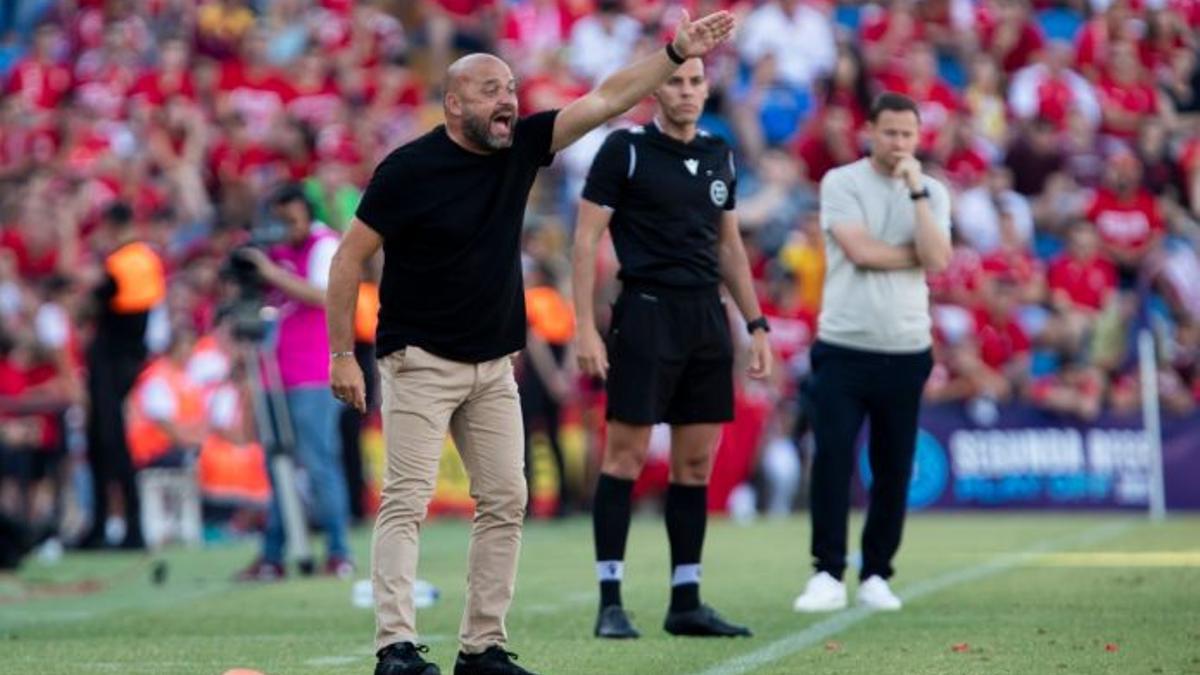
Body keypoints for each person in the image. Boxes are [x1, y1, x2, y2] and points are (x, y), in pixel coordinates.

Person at [324, 10, 736, 675]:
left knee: (507, 500)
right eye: (491, 89)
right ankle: (394, 647)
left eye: (511, 87)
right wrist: (343, 352)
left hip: (493, 364)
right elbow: (348, 260)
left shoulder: (519, 145)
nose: (508, 100)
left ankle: (481, 646)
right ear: (454, 102)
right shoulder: (408, 169)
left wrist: (672, 53)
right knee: (405, 500)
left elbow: (603, 100)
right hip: (419, 358)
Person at [571, 56, 771, 639]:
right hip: (646, 315)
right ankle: (611, 600)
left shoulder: (718, 153)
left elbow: (729, 247)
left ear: (707, 89)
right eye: (674, 82)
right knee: (626, 458)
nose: (685, 91)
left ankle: (686, 600)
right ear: (655, 91)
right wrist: (585, 325)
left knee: (695, 463)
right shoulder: (625, 149)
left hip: (707, 318)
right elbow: (585, 240)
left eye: (694, 82)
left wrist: (756, 325)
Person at [791, 92, 951, 613]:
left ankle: (878, 572)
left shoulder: (931, 191)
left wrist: (917, 195)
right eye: (890, 133)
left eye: (908, 134)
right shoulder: (842, 181)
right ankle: (828, 573)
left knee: (893, 465)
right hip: (844, 345)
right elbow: (859, 251)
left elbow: (940, 258)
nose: (899, 142)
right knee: (832, 459)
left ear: (918, 137)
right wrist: (914, 257)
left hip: (907, 347)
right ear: (871, 132)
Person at [234, 184, 354, 580]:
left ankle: (338, 550)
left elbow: (323, 295)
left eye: (292, 219)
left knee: (319, 463)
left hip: (314, 371)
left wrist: (270, 272)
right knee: (277, 467)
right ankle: (274, 552)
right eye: (280, 220)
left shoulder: (323, 244)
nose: (286, 228)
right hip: (275, 370)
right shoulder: (276, 250)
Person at [80, 202, 166, 549]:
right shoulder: (141, 259)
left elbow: (100, 300)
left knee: (111, 444)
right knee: (100, 443)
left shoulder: (129, 260)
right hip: (121, 359)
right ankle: (103, 525)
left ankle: (130, 527)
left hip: (114, 361)